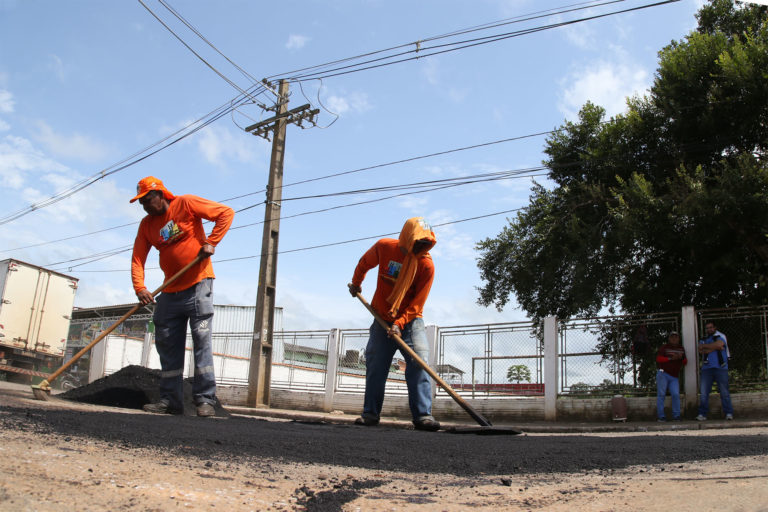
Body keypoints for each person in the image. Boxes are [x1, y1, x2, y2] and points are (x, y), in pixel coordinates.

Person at [130, 176, 234, 417]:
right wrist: (140, 288)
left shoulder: (185, 204)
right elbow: (138, 258)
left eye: (147, 200)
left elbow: (226, 213)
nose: (145, 206)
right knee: (167, 344)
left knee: (201, 342)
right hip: (169, 291)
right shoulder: (147, 225)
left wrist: (211, 242)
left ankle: (205, 400)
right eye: (141, 203)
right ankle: (170, 401)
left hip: (198, 284)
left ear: (161, 194)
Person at [347, 217, 440, 431]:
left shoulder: (426, 265)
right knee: (376, 364)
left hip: (410, 321)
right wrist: (357, 283)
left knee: (419, 362)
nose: (420, 248)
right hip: (382, 319)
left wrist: (400, 323)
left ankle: (423, 416)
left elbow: (417, 304)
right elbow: (364, 263)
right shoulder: (384, 247)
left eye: (424, 244)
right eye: (417, 242)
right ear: (407, 237)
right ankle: (370, 414)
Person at [696, 321, 734, 421]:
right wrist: (714, 347)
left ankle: (728, 413)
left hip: (720, 368)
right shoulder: (703, 339)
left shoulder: (720, 337)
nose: (709, 329)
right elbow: (700, 349)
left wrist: (707, 347)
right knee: (704, 393)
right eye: (707, 328)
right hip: (706, 369)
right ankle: (702, 414)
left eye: (711, 327)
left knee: (724, 392)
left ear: (714, 328)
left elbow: (720, 345)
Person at [655, 331, 686, 422]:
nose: (674, 339)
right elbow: (658, 359)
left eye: (676, 337)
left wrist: (681, 358)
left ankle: (676, 415)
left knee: (675, 394)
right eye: (672, 337)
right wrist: (670, 358)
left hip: (674, 376)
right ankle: (661, 416)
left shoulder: (681, 349)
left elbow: (685, 362)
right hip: (663, 374)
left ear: (678, 339)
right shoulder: (664, 348)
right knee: (661, 395)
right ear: (669, 338)